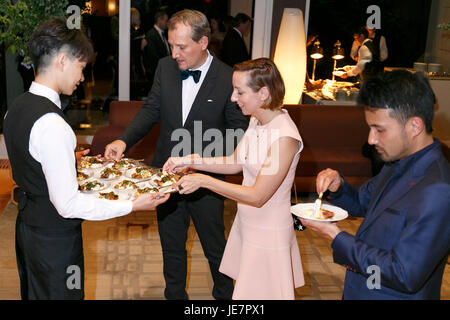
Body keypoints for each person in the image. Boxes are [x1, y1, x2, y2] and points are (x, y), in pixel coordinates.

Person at [2, 18, 169, 300]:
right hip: (55, 240)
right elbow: (68, 205)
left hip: (28, 229)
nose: (82, 77)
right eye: (81, 67)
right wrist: (132, 204)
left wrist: (67, 160)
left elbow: (30, 160)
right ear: (63, 61)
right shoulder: (52, 124)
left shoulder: (16, 107)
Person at [104, 9, 249, 300]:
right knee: (171, 246)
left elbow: (238, 133)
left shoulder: (228, 77)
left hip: (206, 179)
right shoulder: (164, 68)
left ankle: (224, 297)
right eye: (172, 45)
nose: (174, 53)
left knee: (214, 247)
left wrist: (199, 164)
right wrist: (124, 140)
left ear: (204, 42)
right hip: (166, 176)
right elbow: (150, 110)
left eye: (181, 47)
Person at [300, 70, 450, 300]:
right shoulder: (396, 162)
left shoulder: (438, 189)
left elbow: (405, 275)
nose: (371, 139)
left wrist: (337, 238)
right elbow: (362, 202)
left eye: (379, 129)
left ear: (415, 126)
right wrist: (338, 186)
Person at [164, 58, 305, 300]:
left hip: (268, 232)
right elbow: (235, 161)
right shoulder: (257, 121)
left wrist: (204, 181)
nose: (232, 97)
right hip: (248, 225)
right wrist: (190, 160)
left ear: (263, 93)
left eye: (239, 91)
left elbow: (258, 195)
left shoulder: (284, 138)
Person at [143, 10, 170, 88]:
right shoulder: (151, 34)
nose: (167, 23)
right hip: (156, 72)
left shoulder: (163, 33)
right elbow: (153, 56)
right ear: (159, 20)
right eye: (166, 20)